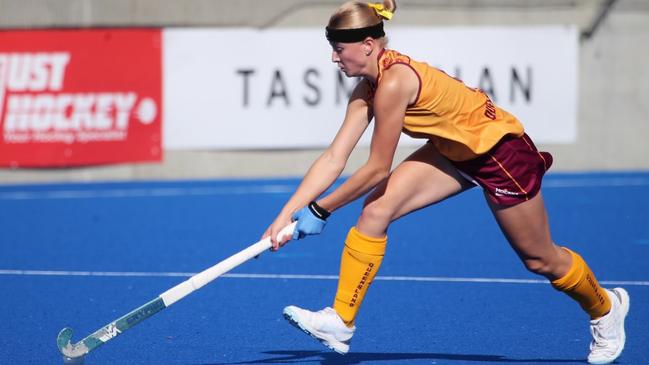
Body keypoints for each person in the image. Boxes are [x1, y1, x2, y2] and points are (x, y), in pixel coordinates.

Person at [262, 1, 629, 364]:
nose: (333, 59)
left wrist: (320, 210)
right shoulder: (367, 88)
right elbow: (333, 158)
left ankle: (605, 308)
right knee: (376, 209)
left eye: (339, 49)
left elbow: (376, 169)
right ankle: (340, 322)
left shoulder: (393, 84)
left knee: (540, 259)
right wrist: (286, 214)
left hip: (499, 155)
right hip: (452, 152)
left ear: (368, 46)